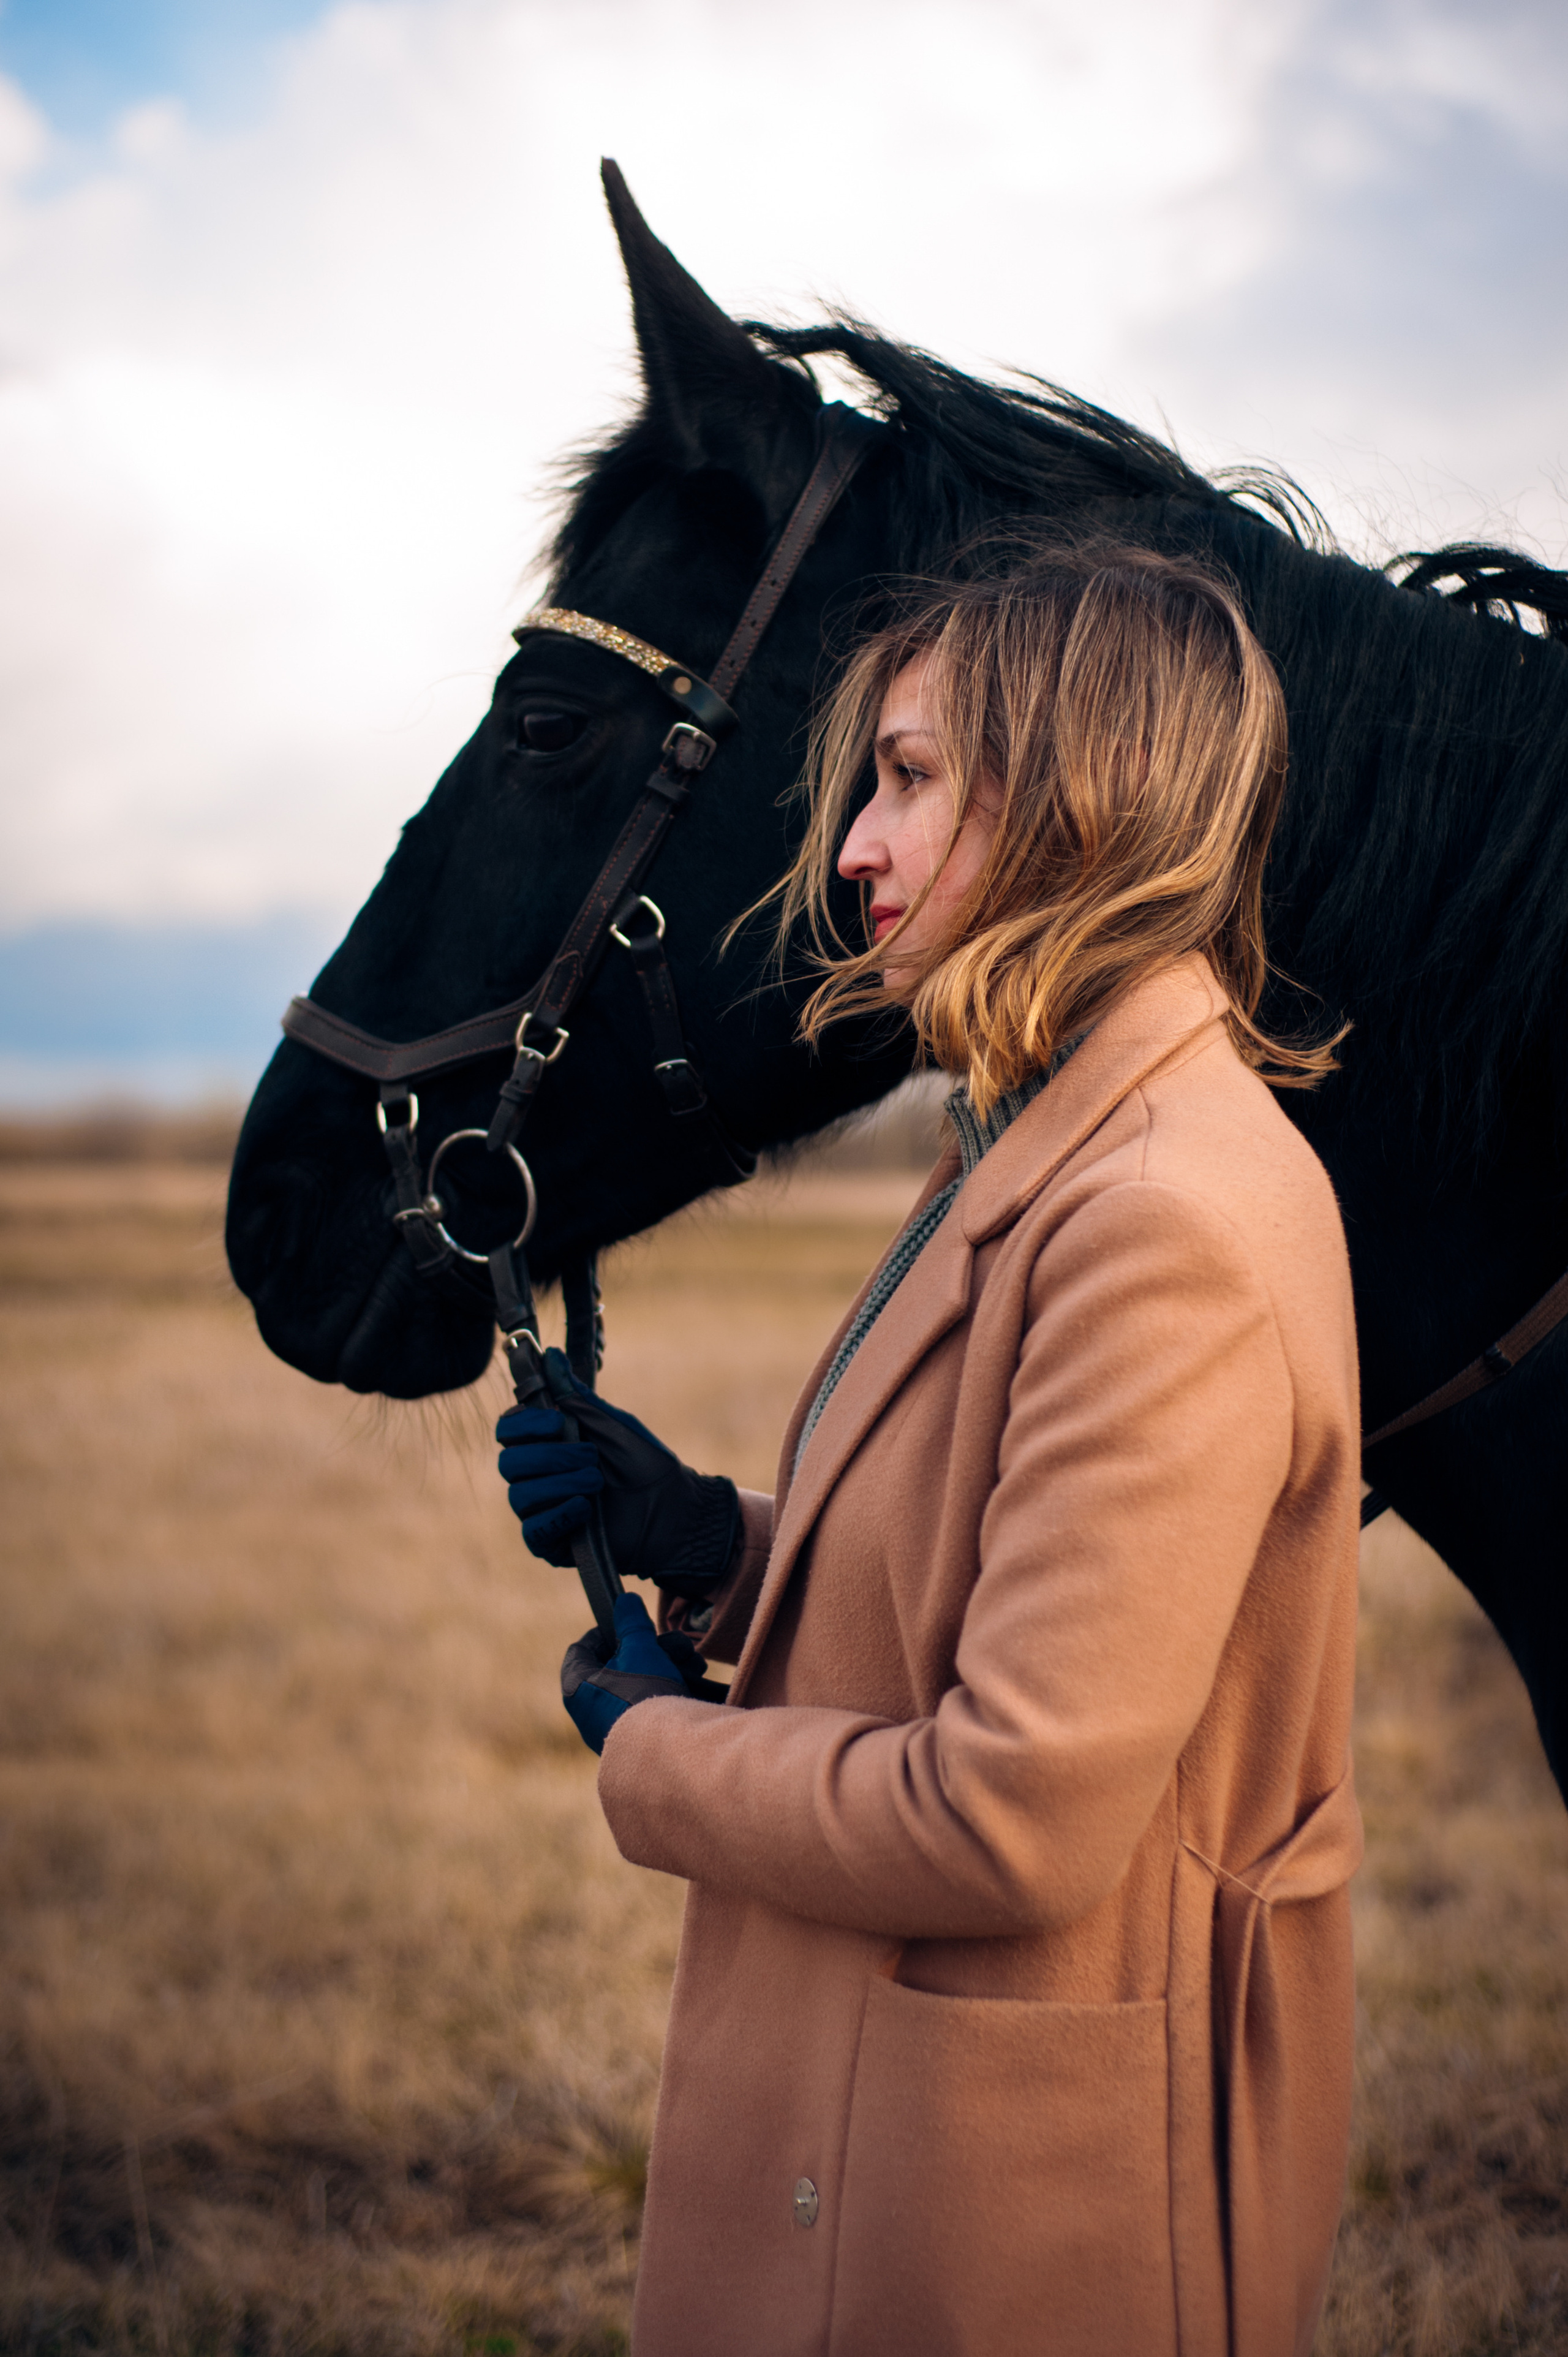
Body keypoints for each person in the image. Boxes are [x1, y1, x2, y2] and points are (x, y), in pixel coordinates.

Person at [496, 545, 1362, 2357]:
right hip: (907, 2140)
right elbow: (1018, 1594)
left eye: (909, 778)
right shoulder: (1058, 1137)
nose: (856, 851)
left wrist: (655, 1745)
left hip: (1013, 2211)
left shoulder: (1158, 1222)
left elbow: (1009, 1813)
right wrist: (715, 1544)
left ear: (1083, 794)